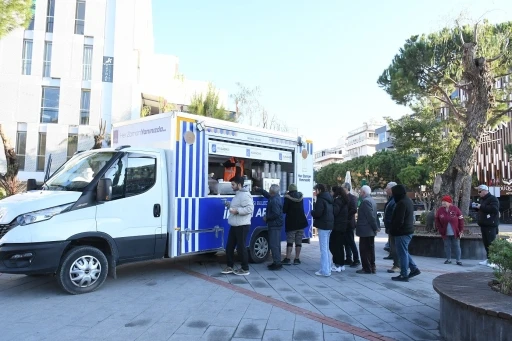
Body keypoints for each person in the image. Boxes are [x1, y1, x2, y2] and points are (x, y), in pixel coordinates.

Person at [221, 176, 254, 276]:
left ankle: (245, 268)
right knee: (229, 246)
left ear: (239, 185)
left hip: (242, 225)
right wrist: (229, 205)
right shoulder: (238, 194)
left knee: (241, 248)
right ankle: (230, 266)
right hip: (235, 225)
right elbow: (238, 206)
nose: (232, 186)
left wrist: (237, 211)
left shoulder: (245, 195)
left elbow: (249, 209)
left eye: (233, 184)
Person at [390, 184, 421, 282]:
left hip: (402, 232)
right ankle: (414, 269)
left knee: (402, 253)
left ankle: (404, 274)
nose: (392, 195)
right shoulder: (408, 201)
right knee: (404, 252)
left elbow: (399, 220)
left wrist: (393, 229)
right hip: (407, 231)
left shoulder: (401, 203)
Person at [253, 184, 284, 270]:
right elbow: (267, 195)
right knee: (276, 244)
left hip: (274, 224)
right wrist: (259, 189)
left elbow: (276, 213)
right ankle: (277, 262)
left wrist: (267, 218)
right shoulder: (275, 197)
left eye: (270, 190)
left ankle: (277, 263)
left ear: (272, 191)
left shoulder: (274, 200)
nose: (269, 191)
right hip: (276, 224)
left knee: (274, 245)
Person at [355, 185, 380, 274]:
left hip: (366, 230)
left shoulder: (365, 202)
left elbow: (370, 216)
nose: (359, 193)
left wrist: (375, 227)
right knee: (370, 249)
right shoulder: (372, 200)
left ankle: (367, 268)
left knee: (364, 250)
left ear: (364, 192)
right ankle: (372, 267)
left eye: (360, 192)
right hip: (369, 230)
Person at [474, 184, 500, 267]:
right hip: (484, 225)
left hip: (490, 225)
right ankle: (489, 259)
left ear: (485, 191)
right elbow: (483, 209)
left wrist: (481, 206)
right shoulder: (483, 199)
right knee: (486, 243)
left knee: (491, 243)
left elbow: (494, 209)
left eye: (480, 191)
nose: (479, 193)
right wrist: (477, 207)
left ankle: (494, 261)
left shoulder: (493, 199)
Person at [282, 183, 309, 265]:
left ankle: (288, 258)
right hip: (301, 222)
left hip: (291, 222)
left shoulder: (287, 198)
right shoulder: (301, 197)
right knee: (298, 242)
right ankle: (297, 259)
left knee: (290, 241)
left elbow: (284, 210)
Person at [311, 183, 334, 276]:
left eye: (315, 190)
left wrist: (312, 211)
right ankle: (326, 268)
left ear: (319, 190)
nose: (315, 192)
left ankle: (325, 271)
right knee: (326, 249)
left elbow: (318, 213)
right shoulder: (329, 198)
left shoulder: (321, 200)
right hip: (329, 225)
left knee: (323, 249)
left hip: (323, 226)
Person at [435, 195, 464, 266]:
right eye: (442, 201)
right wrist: (440, 229)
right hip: (445, 233)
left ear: (449, 202)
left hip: (455, 232)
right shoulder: (440, 210)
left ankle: (458, 260)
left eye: (445, 201)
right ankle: (448, 259)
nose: (443, 203)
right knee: (447, 246)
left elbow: (461, 219)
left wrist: (461, 230)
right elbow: (437, 220)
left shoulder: (455, 209)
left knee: (456, 246)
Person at [330, 185, 349, 272]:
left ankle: (337, 264)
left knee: (334, 246)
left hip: (337, 226)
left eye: (331, 191)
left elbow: (335, 212)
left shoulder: (338, 201)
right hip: (342, 226)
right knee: (340, 246)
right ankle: (341, 264)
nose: (331, 193)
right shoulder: (344, 200)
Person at [342, 182, 360, 267]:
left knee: (351, 242)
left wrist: (345, 217)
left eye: (342, 188)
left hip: (349, 223)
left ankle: (356, 259)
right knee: (346, 242)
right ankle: (348, 258)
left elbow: (353, 209)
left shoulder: (353, 198)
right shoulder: (342, 198)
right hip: (344, 224)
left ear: (346, 188)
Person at [383, 182, 400, 273]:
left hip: (393, 227)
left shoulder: (395, 200)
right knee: (392, 246)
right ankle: (396, 264)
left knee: (395, 247)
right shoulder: (391, 199)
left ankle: (398, 265)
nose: (386, 190)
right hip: (390, 227)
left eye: (387, 188)